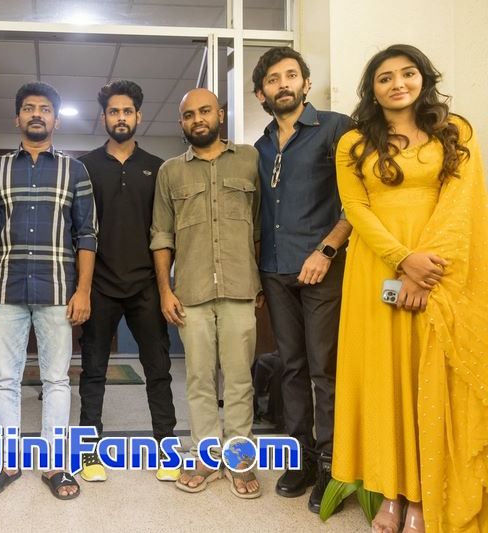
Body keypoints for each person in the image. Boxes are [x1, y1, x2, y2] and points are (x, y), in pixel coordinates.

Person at [332, 44, 488, 533]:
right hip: (374, 271)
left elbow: (461, 207)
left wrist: (421, 271)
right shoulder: (354, 143)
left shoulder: (455, 131)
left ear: (423, 79)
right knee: (386, 379)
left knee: (430, 380)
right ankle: (391, 494)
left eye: (407, 73)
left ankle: (423, 497)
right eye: (385, 77)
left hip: (440, 273)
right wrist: (402, 262)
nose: (397, 83)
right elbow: (356, 209)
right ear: (372, 89)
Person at [0, 82, 97, 500]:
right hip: (6, 290)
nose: (37, 114)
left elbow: (87, 235)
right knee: (4, 379)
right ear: (17, 118)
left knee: (57, 380)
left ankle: (54, 466)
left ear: (56, 121)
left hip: (58, 290)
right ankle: (7, 463)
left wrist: (83, 291)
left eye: (45, 109)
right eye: (28, 108)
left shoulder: (75, 171)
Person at [251, 47, 352, 512]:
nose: (283, 84)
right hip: (275, 270)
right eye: (273, 80)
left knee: (323, 368)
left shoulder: (336, 128)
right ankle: (302, 459)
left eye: (291, 75)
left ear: (306, 84)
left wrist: (327, 250)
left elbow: (359, 201)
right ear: (262, 94)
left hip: (322, 269)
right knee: (289, 366)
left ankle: (332, 465)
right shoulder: (260, 147)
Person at [151, 88, 262, 498]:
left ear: (220, 114)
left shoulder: (249, 160)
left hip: (239, 287)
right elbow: (161, 235)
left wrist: (258, 281)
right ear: (181, 123)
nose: (198, 119)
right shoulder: (170, 172)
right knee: (199, 379)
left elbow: (259, 226)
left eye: (205, 111)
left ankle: (239, 458)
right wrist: (165, 290)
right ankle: (206, 456)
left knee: (239, 379)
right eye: (189, 115)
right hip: (191, 292)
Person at [77, 80, 178, 483]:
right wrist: (80, 287)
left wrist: (166, 287)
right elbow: (78, 230)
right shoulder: (85, 166)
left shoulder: (159, 167)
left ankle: (166, 447)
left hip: (145, 286)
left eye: (127, 111)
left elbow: (165, 231)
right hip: (99, 285)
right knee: (92, 372)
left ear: (139, 116)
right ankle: (89, 452)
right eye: (114, 111)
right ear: (103, 117)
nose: (121, 118)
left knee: (159, 370)